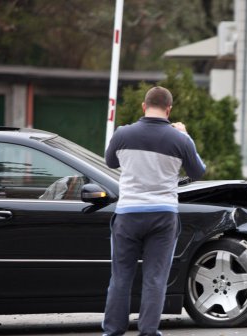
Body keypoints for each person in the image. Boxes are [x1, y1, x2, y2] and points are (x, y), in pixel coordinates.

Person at [102, 86, 206, 336]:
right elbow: (198, 172)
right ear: (169, 109)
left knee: (121, 277)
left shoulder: (122, 134)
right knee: (155, 278)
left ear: (143, 106)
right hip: (163, 216)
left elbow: (110, 162)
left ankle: (113, 331)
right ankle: (148, 331)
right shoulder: (179, 140)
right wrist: (186, 135)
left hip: (128, 214)